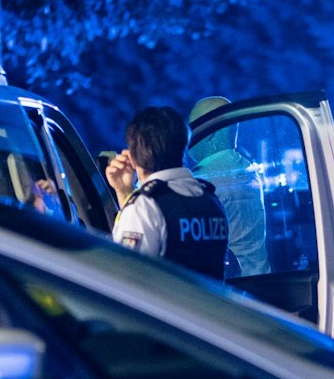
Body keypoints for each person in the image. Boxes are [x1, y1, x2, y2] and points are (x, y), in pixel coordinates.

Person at [104, 106, 231, 278]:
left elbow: (125, 278)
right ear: (183, 147)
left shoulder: (145, 207)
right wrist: (124, 192)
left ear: (132, 158)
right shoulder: (211, 201)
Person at [188, 96, 270, 277]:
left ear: (208, 132)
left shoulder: (205, 178)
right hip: (261, 277)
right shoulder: (247, 168)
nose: (189, 136)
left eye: (192, 127)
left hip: (231, 287)